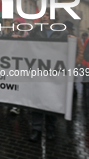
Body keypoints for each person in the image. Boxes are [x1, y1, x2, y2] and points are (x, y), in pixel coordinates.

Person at [27, 9, 68, 142]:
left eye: (48, 15)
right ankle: (36, 129)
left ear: (54, 17)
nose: (45, 17)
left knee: (52, 100)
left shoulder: (62, 32)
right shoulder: (35, 31)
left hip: (55, 72)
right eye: (43, 15)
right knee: (37, 101)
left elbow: (67, 51)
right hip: (38, 71)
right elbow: (27, 46)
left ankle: (51, 129)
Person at [5, 17, 29, 115]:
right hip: (9, 63)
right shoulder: (9, 35)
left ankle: (17, 105)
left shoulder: (26, 36)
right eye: (13, 24)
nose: (14, 26)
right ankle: (11, 102)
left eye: (16, 24)